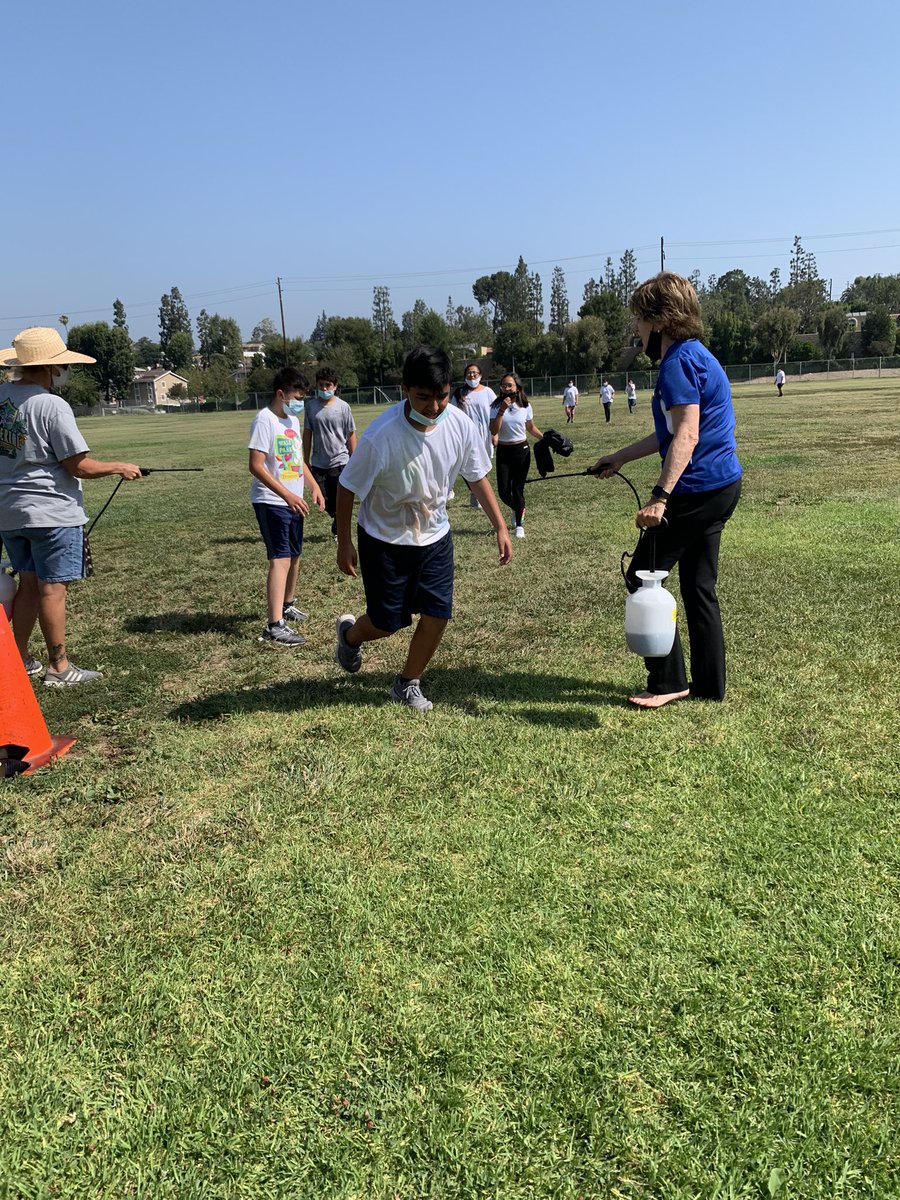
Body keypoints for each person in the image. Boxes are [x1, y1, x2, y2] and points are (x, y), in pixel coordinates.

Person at [592, 272, 742, 709]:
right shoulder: (696, 355)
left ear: (658, 321)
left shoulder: (677, 362)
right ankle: (709, 686)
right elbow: (671, 434)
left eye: (638, 319)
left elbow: (687, 436)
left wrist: (660, 497)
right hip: (721, 486)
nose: (635, 329)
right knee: (698, 585)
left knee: (642, 574)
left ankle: (668, 681)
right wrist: (619, 457)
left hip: (696, 491)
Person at [334, 345, 512, 711]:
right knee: (386, 623)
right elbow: (347, 486)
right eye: (423, 397)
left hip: (434, 536)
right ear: (405, 390)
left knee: (438, 612)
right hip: (384, 539)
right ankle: (351, 637)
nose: (434, 406)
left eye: (442, 396)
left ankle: (407, 682)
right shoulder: (380, 436)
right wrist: (344, 542)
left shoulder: (460, 425)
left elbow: (476, 476)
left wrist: (500, 526)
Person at [0, 326, 142, 685]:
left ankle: (17, 658)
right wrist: (118, 467)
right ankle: (59, 667)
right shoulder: (51, 405)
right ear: (50, 367)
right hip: (49, 513)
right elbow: (77, 465)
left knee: (29, 585)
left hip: (9, 513)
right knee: (52, 589)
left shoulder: (2, 398)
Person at [248, 366, 325, 647]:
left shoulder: (291, 420)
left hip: (294, 501)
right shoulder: (264, 420)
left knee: (294, 555)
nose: (300, 402)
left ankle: (288, 604)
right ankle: (273, 625)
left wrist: (313, 486)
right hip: (272, 502)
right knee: (279, 558)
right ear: (280, 394)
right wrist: (286, 495)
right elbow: (256, 466)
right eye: (296, 396)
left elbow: (297, 459)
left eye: (303, 397)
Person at [302, 366, 357, 539]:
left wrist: (355, 459)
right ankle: (337, 519)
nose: (324, 389)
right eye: (321, 385)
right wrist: (305, 460)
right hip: (319, 462)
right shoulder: (311, 407)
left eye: (328, 385)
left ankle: (338, 529)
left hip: (340, 460)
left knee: (339, 497)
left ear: (335, 386)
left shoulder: (343, 407)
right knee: (323, 500)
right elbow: (308, 433)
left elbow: (351, 434)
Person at [488, 373, 544, 539]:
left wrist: (544, 438)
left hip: (522, 450)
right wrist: (502, 410)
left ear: (517, 387)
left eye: (509, 385)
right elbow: (493, 430)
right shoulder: (495, 406)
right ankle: (518, 508)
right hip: (504, 451)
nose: (506, 388)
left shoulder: (525, 405)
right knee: (504, 492)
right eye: (503, 385)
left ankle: (520, 524)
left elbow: (531, 428)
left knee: (517, 489)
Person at [451, 363, 496, 508]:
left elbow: (496, 413)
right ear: (465, 376)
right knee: (467, 465)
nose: (472, 375)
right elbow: (452, 414)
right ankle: (474, 492)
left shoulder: (488, 392)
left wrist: (496, 434)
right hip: (466, 436)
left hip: (485, 435)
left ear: (480, 375)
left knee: (483, 466)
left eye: (475, 373)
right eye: (469, 373)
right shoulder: (459, 393)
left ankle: (479, 496)